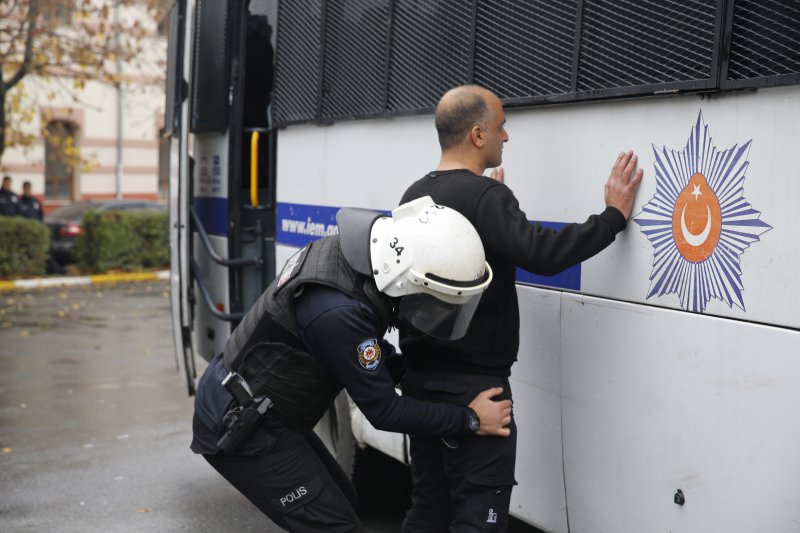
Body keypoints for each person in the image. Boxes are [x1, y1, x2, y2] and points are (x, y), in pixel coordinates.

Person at [398, 85, 644, 532]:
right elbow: (543, 254)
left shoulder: (413, 196)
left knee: (428, 510)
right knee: (479, 519)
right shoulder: (485, 199)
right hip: (477, 393)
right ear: (477, 135)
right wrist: (612, 218)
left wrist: (491, 207)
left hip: (421, 386)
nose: (506, 136)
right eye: (501, 125)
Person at [191, 196, 513, 533]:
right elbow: (385, 412)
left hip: (264, 410)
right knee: (338, 526)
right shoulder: (339, 313)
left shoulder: (359, 261)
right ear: (406, 280)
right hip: (242, 430)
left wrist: (414, 375)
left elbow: (361, 353)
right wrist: (471, 419)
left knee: (344, 500)